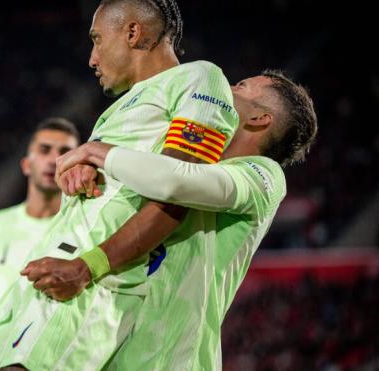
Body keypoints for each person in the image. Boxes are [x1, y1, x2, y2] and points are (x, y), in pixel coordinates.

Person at [0, 0, 238, 369]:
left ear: (133, 33)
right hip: (50, 265)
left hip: (91, 282)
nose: (91, 58)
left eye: (97, 40)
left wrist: (88, 266)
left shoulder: (199, 78)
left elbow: (178, 190)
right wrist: (84, 170)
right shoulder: (119, 109)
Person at [32, 70, 318, 369]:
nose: (228, 87)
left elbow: (179, 183)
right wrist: (90, 172)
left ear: (260, 119)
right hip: (112, 344)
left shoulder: (263, 176)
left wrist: (95, 151)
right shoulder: (177, 155)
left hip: (175, 357)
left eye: (242, 86)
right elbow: (155, 174)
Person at [0, 118, 80, 313]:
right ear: (26, 165)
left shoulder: (81, 229)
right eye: (45, 150)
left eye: (64, 152)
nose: (54, 160)